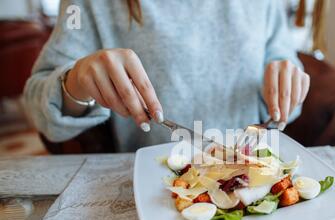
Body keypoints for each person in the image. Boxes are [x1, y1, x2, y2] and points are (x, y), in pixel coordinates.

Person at [25, 0, 310, 152]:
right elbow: (39, 109)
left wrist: (287, 83)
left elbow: (283, 63)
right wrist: (76, 82)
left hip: (253, 170)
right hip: (158, 190)